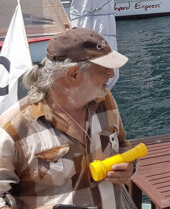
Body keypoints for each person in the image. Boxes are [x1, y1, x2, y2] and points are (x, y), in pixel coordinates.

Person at [0, 27, 132, 209]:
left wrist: (130, 166)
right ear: (73, 74)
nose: (111, 75)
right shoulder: (12, 128)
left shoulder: (105, 100)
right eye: (104, 69)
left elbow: (123, 144)